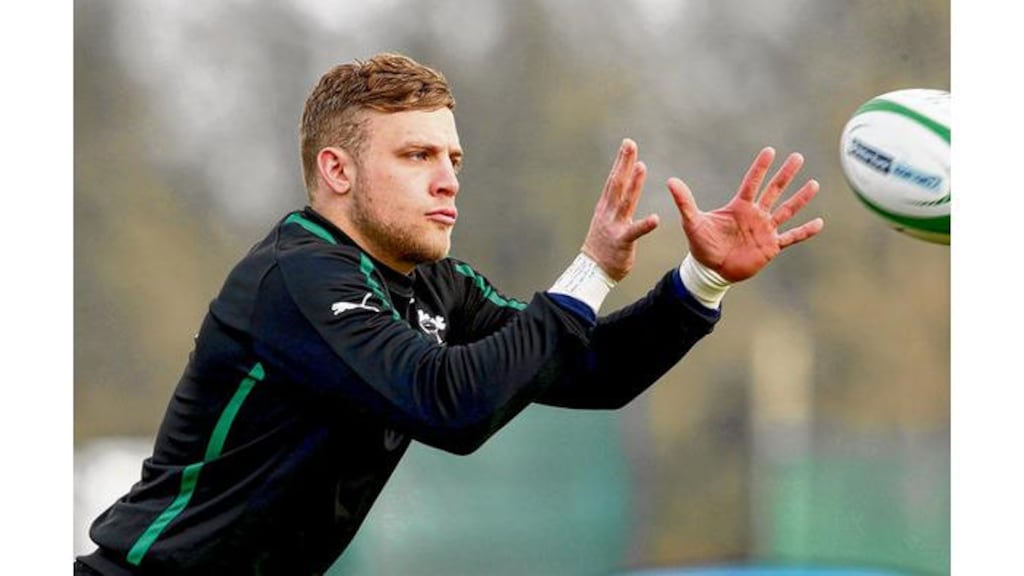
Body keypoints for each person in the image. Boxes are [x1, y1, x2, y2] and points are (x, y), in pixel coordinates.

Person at [74, 52, 823, 575]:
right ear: (336, 170)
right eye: (416, 157)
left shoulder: (435, 284)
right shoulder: (295, 278)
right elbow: (450, 403)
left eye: (453, 161)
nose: (446, 181)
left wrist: (700, 281)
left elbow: (587, 366)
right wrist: (590, 270)